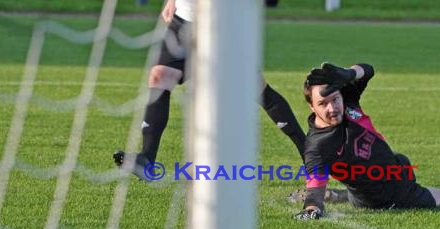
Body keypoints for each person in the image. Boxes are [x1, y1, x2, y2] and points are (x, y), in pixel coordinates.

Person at [294, 62, 440, 220]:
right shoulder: (316, 146)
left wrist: (348, 74)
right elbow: (314, 188)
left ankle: (342, 195)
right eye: (322, 104)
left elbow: (368, 70)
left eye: (334, 99)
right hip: (388, 197)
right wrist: (311, 209)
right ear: (311, 106)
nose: (332, 108)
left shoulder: (348, 100)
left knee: (401, 161)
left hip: (391, 172)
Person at [113, 0, 306, 178]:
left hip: (223, 26)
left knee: (258, 89)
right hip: (184, 21)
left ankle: (309, 154)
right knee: (159, 77)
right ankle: (147, 157)